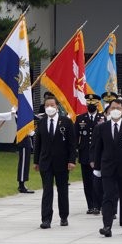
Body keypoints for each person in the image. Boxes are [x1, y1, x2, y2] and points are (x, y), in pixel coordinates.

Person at [92, 100, 122, 237]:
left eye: (118, 108)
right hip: (108, 167)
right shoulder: (102, 127)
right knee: (108, 196)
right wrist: (97, 167)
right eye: (113, 108)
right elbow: (98, 148)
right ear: (109, 110)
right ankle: (107, 225)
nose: (115, 110)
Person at [34, 96, 77, 228]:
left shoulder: (66, 122)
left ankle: (64, 216)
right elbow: (38, 144)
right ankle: (46, 218)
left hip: (62, 162)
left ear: (57, 106)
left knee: (62, 189)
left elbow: (72, 143)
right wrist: (36, 161)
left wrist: (72, 160)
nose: (49, 108)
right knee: (47, 190)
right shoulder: (41, 122)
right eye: (47, 105)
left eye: (52, 105)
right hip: (46, 162)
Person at [76, 93, 104, 215]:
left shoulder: (102, 118)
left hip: (99, 154)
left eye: (93, 103)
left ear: (98, 104)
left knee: (98, 181)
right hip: (85, 154)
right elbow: (75, 137)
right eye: (89, 103)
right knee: (87, 181)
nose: (91, 105)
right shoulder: (80, 118)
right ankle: (90, 205)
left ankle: (99, 204)